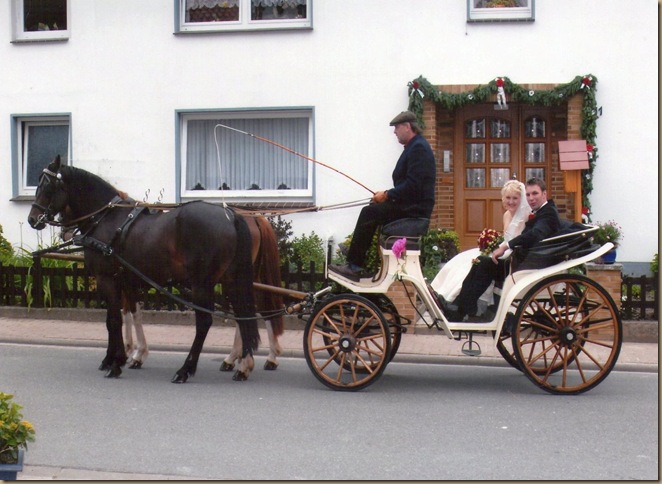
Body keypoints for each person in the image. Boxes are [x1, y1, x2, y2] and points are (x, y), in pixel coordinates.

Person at [330, 110, 436, 281]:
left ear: (407, 127)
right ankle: (356, 257)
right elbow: (410, 185)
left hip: (415, 211)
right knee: (373, 209)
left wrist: (387, 195)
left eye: (396, 128)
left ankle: (355, 265)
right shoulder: (415, 147)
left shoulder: (418, 148)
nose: (394, 132)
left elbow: (413, 186)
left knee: (369, 213)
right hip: (412, 206)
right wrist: (385, 196)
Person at [443, 177, 560, 322]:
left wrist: (506, 246)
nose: (531, 198)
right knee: (481, 261)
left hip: (525, 264)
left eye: (535, 193)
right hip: (521, 259)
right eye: (528, 194)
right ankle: (463, 307)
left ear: (544, 194)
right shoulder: (541, 211)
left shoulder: (548, 213)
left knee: (484, 263)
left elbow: (534, 234)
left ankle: (463, 309)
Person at [433, 180, 531, 307]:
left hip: (513, 254)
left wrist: (501, 249)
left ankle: (462, 305)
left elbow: (519, 240)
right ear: (503, 198)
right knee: (466, 258)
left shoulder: (525, 217)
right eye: (508, 198)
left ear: (521, 199)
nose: (511, 202)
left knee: (480, 260)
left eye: (515, 198)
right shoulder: (507, 214)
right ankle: (449, 296)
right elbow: (506, 237)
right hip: (504, 249)